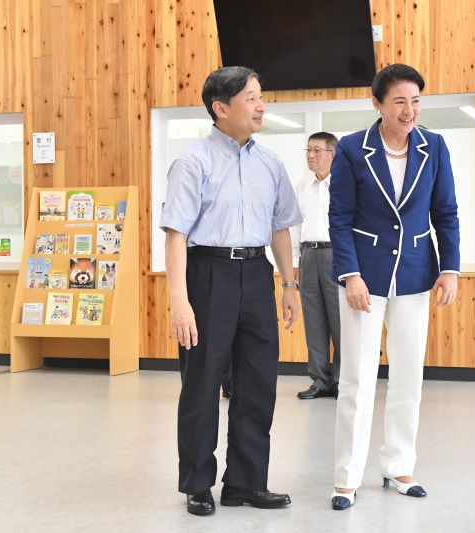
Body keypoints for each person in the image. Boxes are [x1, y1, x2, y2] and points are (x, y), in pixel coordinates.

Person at [160, 66, 302, 517]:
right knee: (202, 384)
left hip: (257, 275)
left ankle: (245, 482)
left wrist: (290, 283)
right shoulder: (193, 162)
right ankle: (198, 483)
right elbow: (176, 235)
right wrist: (179, 301)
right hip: (208, 276)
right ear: (221, 109)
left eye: (261, 97)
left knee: (259, 383)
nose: (261, 106)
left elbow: (280, 228)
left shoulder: (270, 162)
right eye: (251, 98)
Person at [328, 63, 461, 510]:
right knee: (358, 380)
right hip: (364, 279)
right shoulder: (351, 150)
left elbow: (446, 213)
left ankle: (398, 465)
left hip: (416, 275)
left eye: (416, 101)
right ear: (378, 104)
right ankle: (346, 476)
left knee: (408, 377)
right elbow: (340, 219)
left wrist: (450, 269)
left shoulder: (434, 147)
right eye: (400, 101)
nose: (410, 110)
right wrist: (350, 275)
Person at [292, 132, 342, 399]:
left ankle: (343, 380)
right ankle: (320, 380)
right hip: (308, 255)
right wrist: (294, 262)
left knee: (341, 322)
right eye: (308, 150)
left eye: (317, 150)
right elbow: (294, 225)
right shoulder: (302, 187)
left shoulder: (344, 184)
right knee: (314, 321)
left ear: (332, 154)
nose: (310, 155)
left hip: (337, 255)